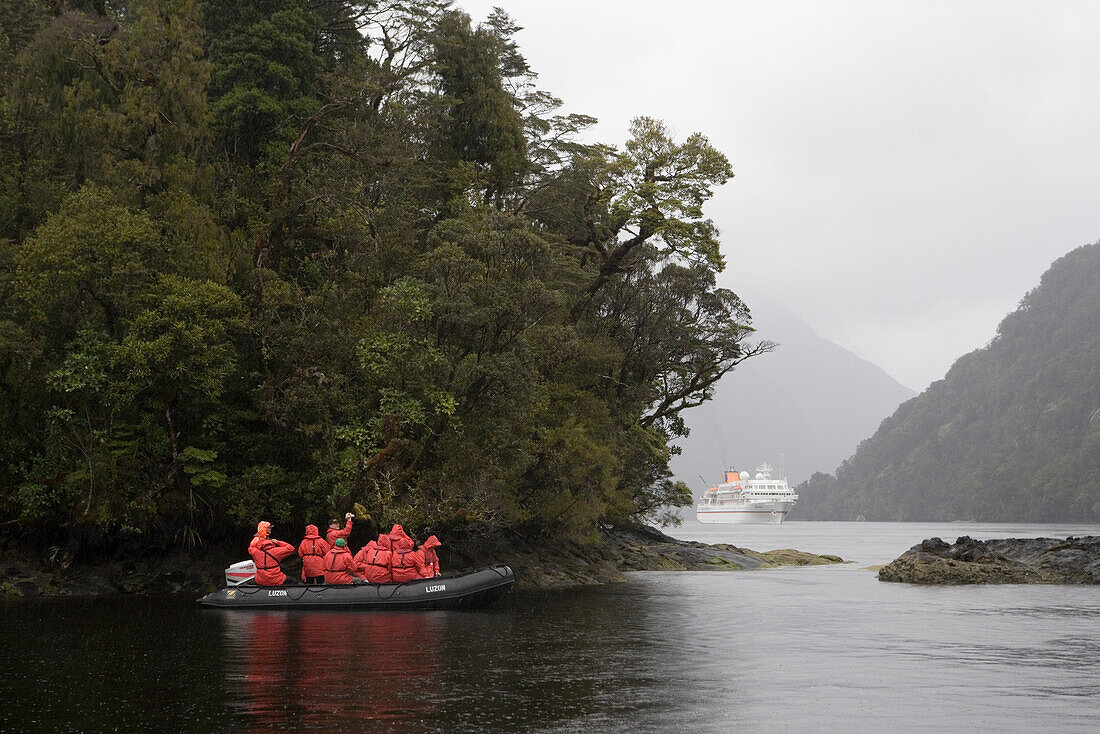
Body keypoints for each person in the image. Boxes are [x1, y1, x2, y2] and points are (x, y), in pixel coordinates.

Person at [247, 521, 296, 586]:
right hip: (276, 579)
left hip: (260, 580)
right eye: (269, 528)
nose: (270, 529)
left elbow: (251, 547)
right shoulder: (276, 551)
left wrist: (258, 540)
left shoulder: (255, 551)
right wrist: (278, 542)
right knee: (294, 581)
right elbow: (291, 548)